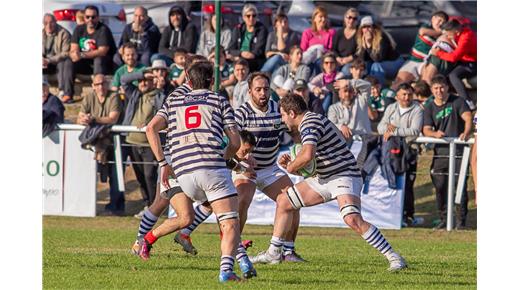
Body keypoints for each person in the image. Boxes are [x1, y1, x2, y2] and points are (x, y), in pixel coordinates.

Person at [249, 94, 407, 272]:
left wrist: (292, 167)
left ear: (292, 113)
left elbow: (307, 155)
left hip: (344, 175)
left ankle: (394, 257)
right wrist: (294, 166)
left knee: (352, 218)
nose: (283, 120)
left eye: (283, 115)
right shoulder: (310, 122)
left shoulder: (309, 123)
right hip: (324, 177)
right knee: (284, 201)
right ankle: (274, 252)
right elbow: (312, 164)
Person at [138, 61, 253, 282]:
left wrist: (163, 162)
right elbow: (235, 142)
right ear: (211, 81)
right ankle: (227, 270)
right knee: (229, 221)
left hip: (183, 174)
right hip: (211, 170)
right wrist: (227, 157)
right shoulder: (218, 99)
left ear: (188, 81)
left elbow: (151, 128)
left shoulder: (173, 100)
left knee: (196, 210)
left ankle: (242, 260)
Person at [422, 75, 472, 230]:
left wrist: (466, 132)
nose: (439, 91)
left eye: (442, 87)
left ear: (447, 87)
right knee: (440, 186)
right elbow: (426, 129)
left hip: (458, 151)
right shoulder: (429, 106)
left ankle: (460, 222)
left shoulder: (457, 101)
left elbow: (468, 117)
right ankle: (444, 218)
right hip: (440, 153)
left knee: (460, 187)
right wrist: (434, 134)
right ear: (431, 90)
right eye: (436, 88)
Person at [120, 67, 167, 217]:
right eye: (140, 81)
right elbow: (124, 80)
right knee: (140, 177)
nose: (143, 83)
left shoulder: (158, 96)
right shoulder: (135, 94)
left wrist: (158, 84)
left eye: (146, 81)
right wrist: (143, 73)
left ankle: (155, 207)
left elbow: (163, 113)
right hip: (132, 141)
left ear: (153, 82)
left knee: (150, 176)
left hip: (149, 144)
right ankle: (147, 205)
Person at [377, 83, 424, 226]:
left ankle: (408, 216)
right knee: (393, 182)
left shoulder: (417, 110)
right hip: (392, 153)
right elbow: (380, 127)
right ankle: (394, 216)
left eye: (409, 94)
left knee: (408, 185)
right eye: (403, 94)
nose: (406, 97)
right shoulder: (391, 108)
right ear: (397, 96)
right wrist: (389, 129)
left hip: (409, 151)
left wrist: (393, 131)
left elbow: (415, 131)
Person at [77, 74, 124, 215]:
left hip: (113, 141)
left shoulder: (114, 96)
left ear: (107, 84)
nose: (100, 87)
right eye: (97, 84)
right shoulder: (89, 97)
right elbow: (79, 117)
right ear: (93, 86)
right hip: (94, 142)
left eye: (103, 83)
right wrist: (84, 119)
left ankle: (117, 207)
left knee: (115, 175)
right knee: (87, 173)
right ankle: (83, 205)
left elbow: (112, 118)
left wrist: (93, 119)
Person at [421, 19, 477, 111]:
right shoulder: (459, 32)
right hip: (463, 60)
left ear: (456, 31)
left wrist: (438, 54)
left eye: (448, 34)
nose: (447, 36)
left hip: (472, 63)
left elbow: (454, 57)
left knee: (454, 75)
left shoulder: (466, 38)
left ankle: (468, 102)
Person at [392, 11, 448, 90]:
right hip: (413, 60)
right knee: (399, 83)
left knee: (425, 83)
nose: (440, 23)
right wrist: (440, 32)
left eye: (443, 22)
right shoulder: (426, 27)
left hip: (426, 63)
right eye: (439, 20)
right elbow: (422, 31)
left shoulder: (444, 36)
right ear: (432, 19)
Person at [356, 16, 404, 85]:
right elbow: (363, 59)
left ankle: (379, 90)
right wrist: (364, 47)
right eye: (364, 27)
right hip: (383, 64)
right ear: (361, 29)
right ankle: (366, 88)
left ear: (373, 27)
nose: (367, 29)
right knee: (366, 65)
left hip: (395, 63)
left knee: (376, 66)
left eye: (369, 26)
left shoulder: (381, 37)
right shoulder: (362, 38)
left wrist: (369, 45)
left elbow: (379, 59)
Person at [70, 5, 117, 76]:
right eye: (87, 17)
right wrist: (74, 54)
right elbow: (73, 49)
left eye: (93, 17)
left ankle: (98, 84)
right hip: (85, 63)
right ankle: (66, 87)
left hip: (103, 64)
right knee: (67, 62)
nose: (90, 19)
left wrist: (82, 55)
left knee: (98, 59)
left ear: (98, 17)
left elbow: (102, 51)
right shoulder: (78, 29)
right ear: (84, 18)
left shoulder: (103, 30)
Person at [42, 13, 74, 104]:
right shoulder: (41, 33)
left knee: (64, 62)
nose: (48, 25)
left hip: (57, 61)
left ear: (56, 22)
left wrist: (49, 60)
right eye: (46, 23)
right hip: (45, 62)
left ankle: (62, 91)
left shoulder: (64, 33)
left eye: (51, 22)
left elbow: (65, 52)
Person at [229, 3, 268, 72]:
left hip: (253, 60)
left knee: (242, 64)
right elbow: (231, 48)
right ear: (243, 17)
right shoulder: (238, 29)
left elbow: (258, 51)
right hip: (239, 56)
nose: (251, 18)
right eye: (248, 16)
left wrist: (242, 57)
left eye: (254, 16)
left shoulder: (262, 29)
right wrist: (240, 53)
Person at [300, 6, 336, 74]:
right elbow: (303, 49)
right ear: (314, 19)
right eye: (320, 17)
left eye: (325, 17)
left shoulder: (331, 32)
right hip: (309, 59)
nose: (323, 19)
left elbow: (330, 49)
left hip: (324, 59)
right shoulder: (307, 32)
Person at [332, 8, 359, 77]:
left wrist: (349, 59)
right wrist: (338, 58)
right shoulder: (339, 33)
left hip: (352, 61)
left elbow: (360, 51)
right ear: (345, 18)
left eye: (354, 18)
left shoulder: (359, 34)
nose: (351, 20)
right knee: (330, 67)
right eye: (349, 17)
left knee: (346, 70)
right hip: (338, 60)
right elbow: (333, 49)